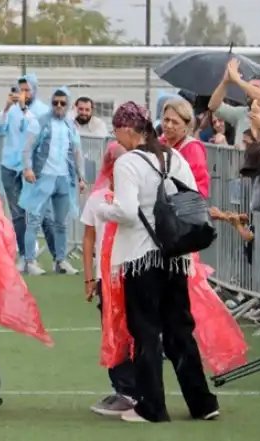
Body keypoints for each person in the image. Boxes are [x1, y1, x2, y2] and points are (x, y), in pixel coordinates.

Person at [99, 101, 219, 423]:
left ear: (126, 129)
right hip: (175, 256)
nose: (116, 137)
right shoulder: (174, 157)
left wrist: (101, 208)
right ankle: (203, 403)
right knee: (180, 331)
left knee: (147, 333)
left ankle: (152, 407)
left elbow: (124, 211)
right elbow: (193, 198)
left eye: (116, 130)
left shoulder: (128, 163)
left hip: (140, 257)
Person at [81, 143, 138, 415]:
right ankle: (123, 388)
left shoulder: (137, 195)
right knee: (113, 331)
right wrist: (89, 279)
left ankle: (135, 389)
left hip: (134, 273)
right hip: (108, 277)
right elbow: (89, 237)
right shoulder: (98, 199)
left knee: (135, 331)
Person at [0, 74, 56, 271]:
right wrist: (5, 108)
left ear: (34, 90)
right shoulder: (10, 109)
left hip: (32, 169)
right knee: (18, 214)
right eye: (21, 90)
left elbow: (39, 133)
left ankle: (56, 257)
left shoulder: (43, 110)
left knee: (40, 213)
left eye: (27, 89)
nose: (24, 94)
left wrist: (23, 108)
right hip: (10, 166)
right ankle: (24, 255)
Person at [20, 87, 84, 275]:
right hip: (42, 177)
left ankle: (61, 260)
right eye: (55, 102)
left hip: (64, 178)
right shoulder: (40, 122)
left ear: (68, 105)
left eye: (62, 103)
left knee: (61, 223)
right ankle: (30, 261)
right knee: (34, 220)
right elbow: (27, 148)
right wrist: (28, 168)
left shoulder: (71, 126)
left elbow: (77, 152)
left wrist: (81, 176)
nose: (58, 106)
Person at [158, 98, 210, 199]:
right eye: (166, 120)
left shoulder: (193, 149)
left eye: (175, 122)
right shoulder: (159, 143)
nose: (168, 125)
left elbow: (200, 188)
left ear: (186, 126)